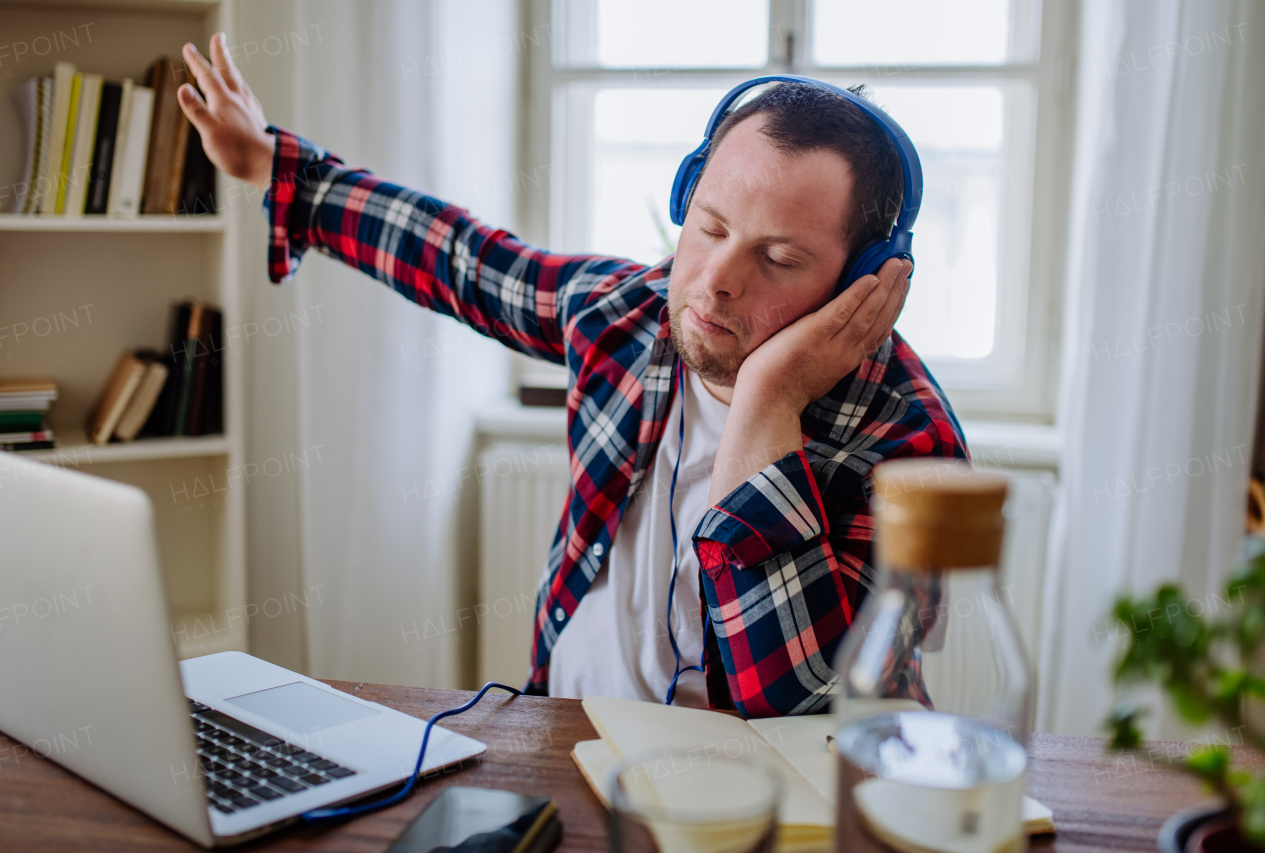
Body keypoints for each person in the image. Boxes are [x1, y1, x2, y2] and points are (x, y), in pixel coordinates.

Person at [177, 33, 967, 719]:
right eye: (709, 226)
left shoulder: (914, 448)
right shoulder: (629, 314)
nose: (715, 280)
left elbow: (791, 698)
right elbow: (464, 261)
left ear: (866, 280)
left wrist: (769, 403)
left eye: (779, 257)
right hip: (569, 735)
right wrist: (281, 170)